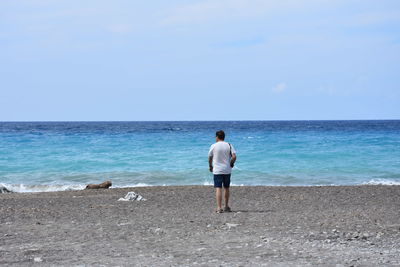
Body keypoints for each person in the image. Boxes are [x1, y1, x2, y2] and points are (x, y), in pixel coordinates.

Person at [208, 130, 237, 213]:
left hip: (217, 170)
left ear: (217, 137)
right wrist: (231, 163)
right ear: (224, 137)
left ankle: (219, 207)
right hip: (227, 169)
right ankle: (226, 206)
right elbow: (234, 156)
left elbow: (210, 157)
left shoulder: (214, 146)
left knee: (218, 188)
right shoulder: (229, 145)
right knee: (227, 188)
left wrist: (210, 166)